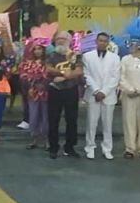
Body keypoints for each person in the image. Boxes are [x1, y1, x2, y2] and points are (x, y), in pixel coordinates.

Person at [44, 30, 83, 159]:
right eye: (58, 38)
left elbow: (78, 71)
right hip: (54, 90)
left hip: (71, 90)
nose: (61, 41)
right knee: (53, 119)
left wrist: (63, 78)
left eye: (64, 39)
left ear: (69, 41)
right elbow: (48, 69)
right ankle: (53, 147)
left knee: (71, 120)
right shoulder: (50, 55)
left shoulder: (75, 55)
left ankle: (70, 147)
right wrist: (62, 73)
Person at [82, 32, 120, 160]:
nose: (102, 43)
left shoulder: (115, 58)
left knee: (108, 124)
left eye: (105, 41)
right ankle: (90, 147)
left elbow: (115, 77)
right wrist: (96, 91)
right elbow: (87, 75)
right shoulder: (87, 56)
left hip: (108, 95)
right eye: (100, 40)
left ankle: (107, 148)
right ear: (96, 42)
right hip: (93, 95)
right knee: (91, 123)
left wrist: (104, 92)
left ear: (108, 43)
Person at [18, 40, 50, 149]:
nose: (37, 51)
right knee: (33, 116)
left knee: (46, 117)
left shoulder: (48, 63)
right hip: (32, 93)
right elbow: (23, 76)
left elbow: (50, 75)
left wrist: (43, 84)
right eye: (35, 49)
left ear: (43, 50)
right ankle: (34, 139)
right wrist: (32, 83)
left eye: (39, 49)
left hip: (46, 93)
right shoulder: (27, 63)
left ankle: (46, 140)